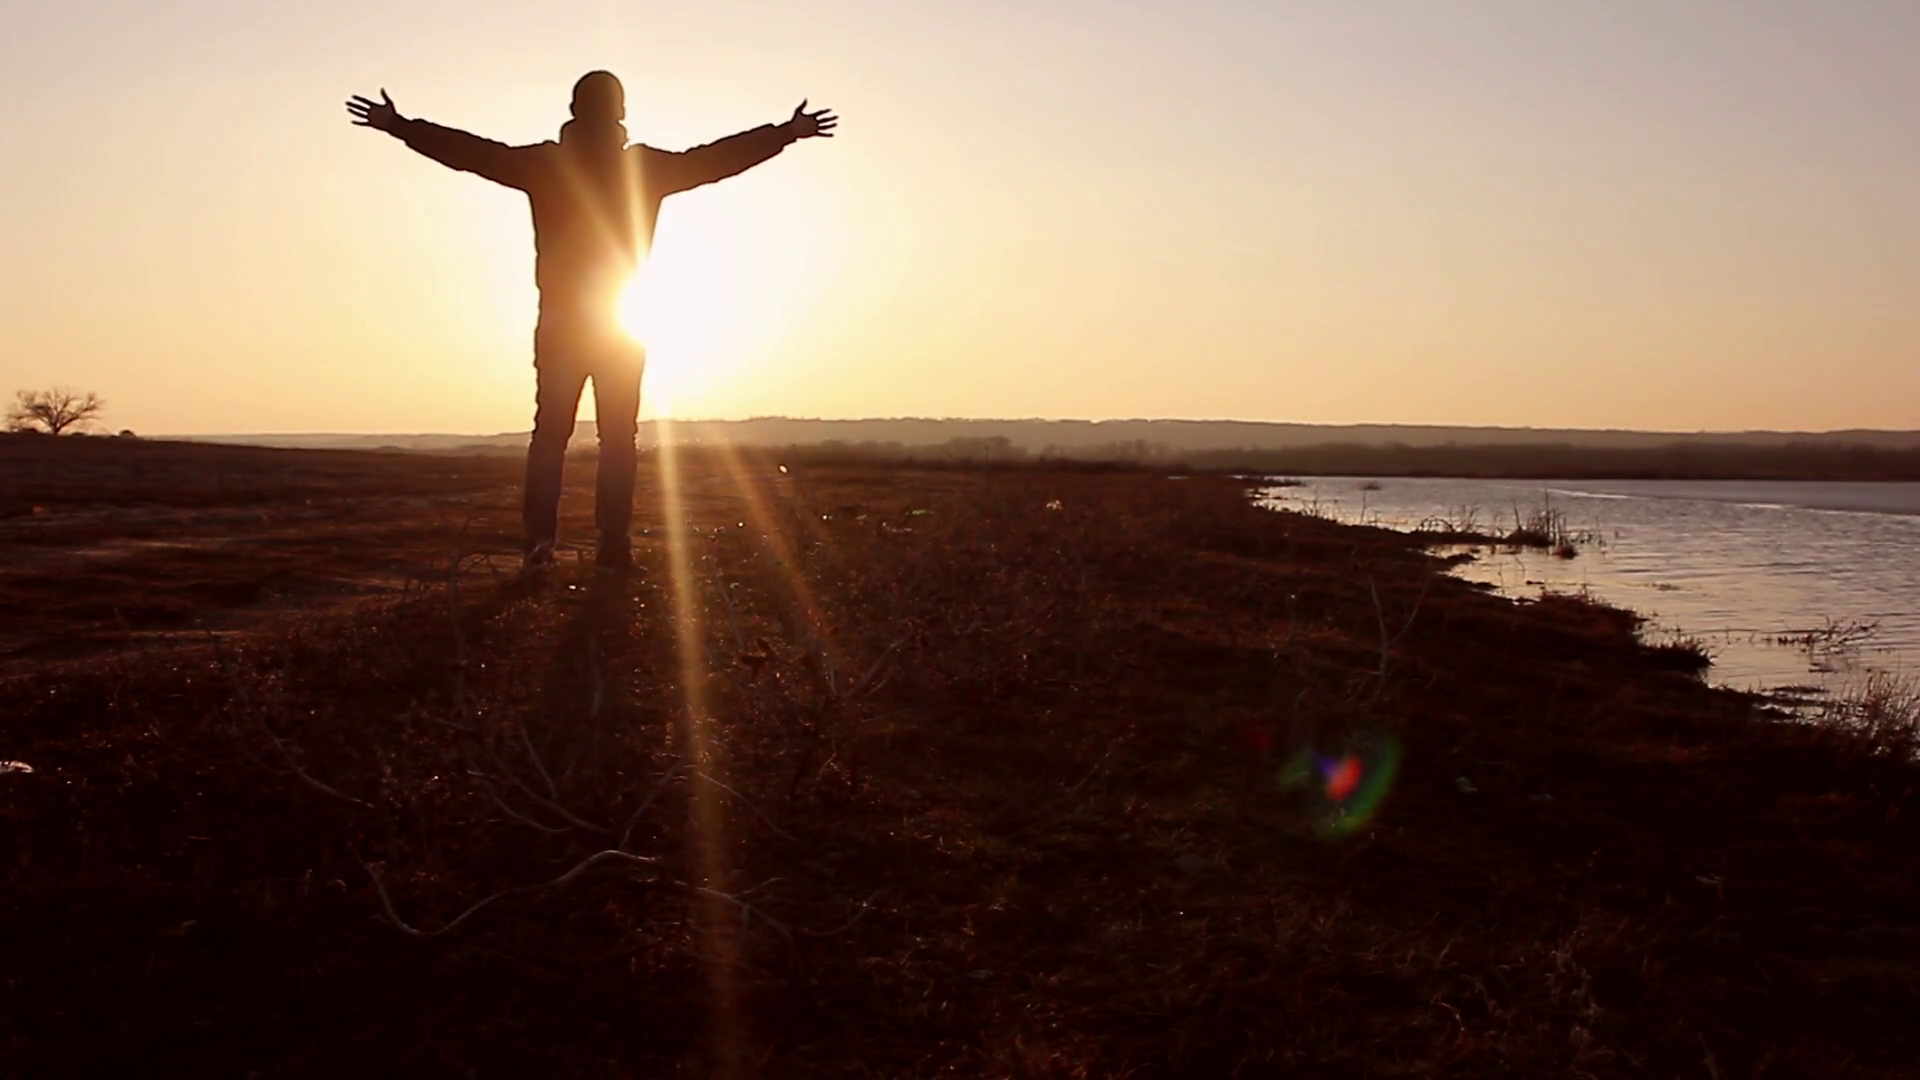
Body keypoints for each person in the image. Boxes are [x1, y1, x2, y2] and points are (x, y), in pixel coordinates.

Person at [346, 72, 837, 572]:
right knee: (618, 437)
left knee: (550, 436)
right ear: (621, 113)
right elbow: (713, 161)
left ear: (573, 110)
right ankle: (613, 548)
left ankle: (539, 546)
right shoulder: (643, 169)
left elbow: (472, 153)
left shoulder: (544, 164)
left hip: (563, 322)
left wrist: (400, 126)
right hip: (622, 320)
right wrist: (784, 133)